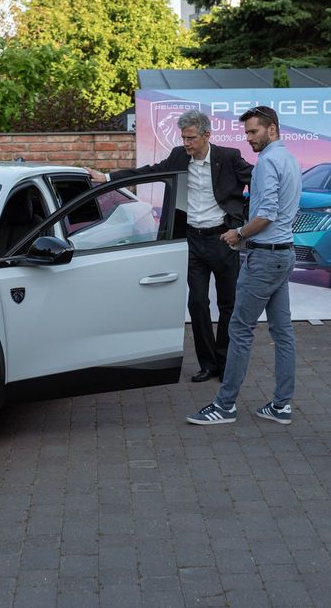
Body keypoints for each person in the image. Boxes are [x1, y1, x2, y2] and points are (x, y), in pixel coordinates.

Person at [88, 110, 252, 382]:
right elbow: (150, 171)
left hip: (223, 239)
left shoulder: (228, 157)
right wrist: (107, 178)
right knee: (197, 303)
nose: (186, 143)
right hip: (192, 240)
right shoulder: (179, 156)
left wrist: (241, 220)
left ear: (206, 135)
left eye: (191, 138)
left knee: (228, 304)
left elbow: (257, 183)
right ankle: (208, 364)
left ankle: (225, 362)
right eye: (183, 138)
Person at [187, 105, 301, 426]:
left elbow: (266, 215)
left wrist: (238, 233)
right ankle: (281, 406)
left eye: (254, 131)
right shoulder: (289, 159)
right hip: (284, 254)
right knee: (283, 332)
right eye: (246, 132)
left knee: (239, 330)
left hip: (265, 257)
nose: (248, 138)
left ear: (272, 129)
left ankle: (225, 406)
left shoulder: (267, 163)